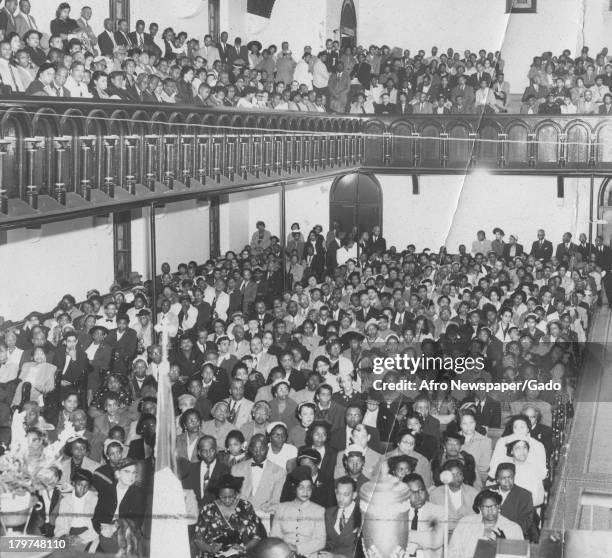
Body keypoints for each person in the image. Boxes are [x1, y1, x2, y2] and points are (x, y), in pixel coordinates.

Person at [194, 474, 266, 558]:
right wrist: (210, 549)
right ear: (218, 494)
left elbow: (257, 536)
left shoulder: (246, 506)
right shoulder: (208, 509)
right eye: (223, 497)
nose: (227, 500)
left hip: (240, 554)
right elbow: (198, 539)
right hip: (213, 555)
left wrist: (243, 548)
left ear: (236, 493)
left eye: (231, 496)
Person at [92, 458, 147, 555]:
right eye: (127, 471)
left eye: (134, 473)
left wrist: (115, 525)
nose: (131, 476)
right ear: (117, 473)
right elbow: (97, 517)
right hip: (105, 534)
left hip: (127, 534)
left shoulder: (139, 493)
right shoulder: (107, 490)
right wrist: (102, 527)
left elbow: (137, 522)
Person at [448, 489, 523, 558]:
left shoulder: (513, 528)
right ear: (480, 508)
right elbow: (452, 552)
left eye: (493, 506)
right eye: (486, 507)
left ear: (499, 507)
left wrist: (504, 546)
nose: (490, 510)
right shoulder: (465, 523)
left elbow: (519, 557)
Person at [270, 465, 326, 557]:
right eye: (301, 488)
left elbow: (320, 541)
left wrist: (297, 548)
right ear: (294, 489)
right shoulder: (282, 508)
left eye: (309, 488)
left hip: (308, 555)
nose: (305, 492)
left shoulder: (318, 510)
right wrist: (285, 550)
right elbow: (274, 537)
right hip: (284, 554)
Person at [54, 468, 99, 551]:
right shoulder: (66, 500)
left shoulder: (95, 500)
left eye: (86, 486)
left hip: (87, 533)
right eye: (79, 485)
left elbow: (97, 527)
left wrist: (79, 538)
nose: (82, 489)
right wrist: (62, 535)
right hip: (68, 531)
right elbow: (60, 522)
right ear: (73, 483)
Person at [493, 462, 537, 541]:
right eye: (503, 478)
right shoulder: (488, 492)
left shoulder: (525, 495)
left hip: (512, 537)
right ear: (497, 479)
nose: (507, 481)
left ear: (514, 476)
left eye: (510, 477)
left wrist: (505, 529)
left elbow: (526, 522)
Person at [324, 476, 360, 558]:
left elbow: (361, 551)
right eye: (338, 493)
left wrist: (335, 556)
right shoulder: (329, 512)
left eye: (346, 494)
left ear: (354, 495)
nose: (340, 498)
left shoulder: (362, 515)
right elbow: (326, 542)